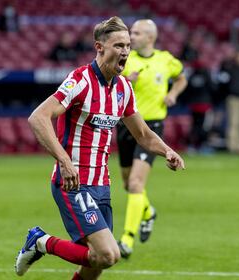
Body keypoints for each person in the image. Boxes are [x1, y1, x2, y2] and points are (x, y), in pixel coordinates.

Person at [15, 16, 185, 280]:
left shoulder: (124, 88)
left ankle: (42, 242)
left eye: (128, 45)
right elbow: (38, 117)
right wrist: (64, 160)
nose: (126, 51)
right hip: (74, 183)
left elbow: (142, 133)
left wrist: (167, 151)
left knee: (94, 265)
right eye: (118, 45)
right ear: (99, 47)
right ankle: (40, 241)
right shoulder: (80, 80)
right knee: (109, 255)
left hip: (102, 186)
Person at [116, 19, 187, 258]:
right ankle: (147, 212)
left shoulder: (166, 60)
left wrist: (173, 94)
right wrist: (126, 81)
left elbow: (181, 77)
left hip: (152, 127)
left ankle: (126, 240)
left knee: (136, 183)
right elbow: (109, 86)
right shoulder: (125, 61)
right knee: (128, 184)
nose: (131, 37)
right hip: (127, 125)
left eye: (136, 33)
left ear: (150, 37)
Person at [225, 48, 239, 154]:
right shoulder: (230, 69)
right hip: (234, 99)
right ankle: (232, 146)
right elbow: (224, 84)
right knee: (234, 123)